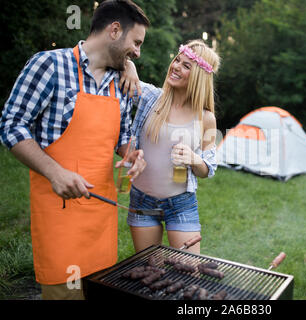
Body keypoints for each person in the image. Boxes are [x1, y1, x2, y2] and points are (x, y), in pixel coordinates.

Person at [0, 0, 149, 300]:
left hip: (101, 215)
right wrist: (54, 171)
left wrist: (132, 155)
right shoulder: (50, 65)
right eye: (136, 43)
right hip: (60, 215)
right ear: (114, 30)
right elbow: (11, 125)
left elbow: (123, 137)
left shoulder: (120, 82)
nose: (137, 52)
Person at [121, 40, 220, 254]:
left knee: (188, 275)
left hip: (181, 204)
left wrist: (194, 159)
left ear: (198, 78)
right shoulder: (151, 98)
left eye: (186, 66)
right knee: (150, 272)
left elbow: (208, 169)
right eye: (177, 60)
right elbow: (118, 66)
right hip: (143, 200)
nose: (176, 66)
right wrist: (130, 66)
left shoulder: (206, 118)